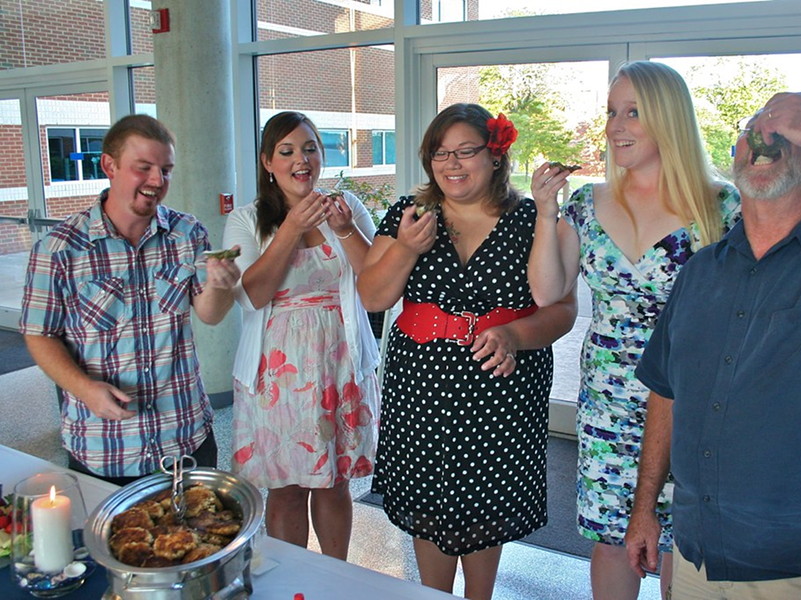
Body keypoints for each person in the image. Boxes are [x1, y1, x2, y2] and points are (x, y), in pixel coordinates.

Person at [625, 92, 801, 599]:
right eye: (755, 129)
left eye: (790, 134)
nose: (766, 135)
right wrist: (645, 509)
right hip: (697, 557)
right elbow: (666, 393)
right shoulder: (700, 271)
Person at [527, 61, 740, 600]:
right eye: (610, 112)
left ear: (668, 119)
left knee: (681, 541)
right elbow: (549, 293)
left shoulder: (722, 207)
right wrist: (544, 209)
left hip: (694, 398)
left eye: (633, 112)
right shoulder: (585, 204)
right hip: (609, 400)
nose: (615, 125)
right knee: (611, 534)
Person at [357, 103, 577, 599]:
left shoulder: (530, 219)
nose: (451, 164)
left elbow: (561, 308)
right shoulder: (408, 214)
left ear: (496, 156)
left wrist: (516, 335)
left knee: (484, 500)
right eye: (440, 153)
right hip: (421, 382)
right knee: (429, 498)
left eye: (465, 152)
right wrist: (407, 248)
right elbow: (372, 296)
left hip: (502, 380)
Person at [19, 114, 240, 486]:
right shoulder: (59, 249)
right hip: (105, 446)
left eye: (166, 170)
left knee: (203, 540)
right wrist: (84, 389)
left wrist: (222, 286)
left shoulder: (187, 233)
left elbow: (210, 314)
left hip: (186, 437)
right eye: (144, 168)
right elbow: (39, 335)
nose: (158, 181)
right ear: (110, 165)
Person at [223, 111, 380, 560]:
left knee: (334, 481)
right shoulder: (247, 219)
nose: (301, 160)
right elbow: (250, 294)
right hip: (277, 372)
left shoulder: (346, 205)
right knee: (286, 486)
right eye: (287, 151)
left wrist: (345, 228)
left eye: (310, 148)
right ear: (267, 162)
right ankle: (291, 576)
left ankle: (336, 576)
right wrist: (291, 228)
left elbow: (376, 279)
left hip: (340, 360)